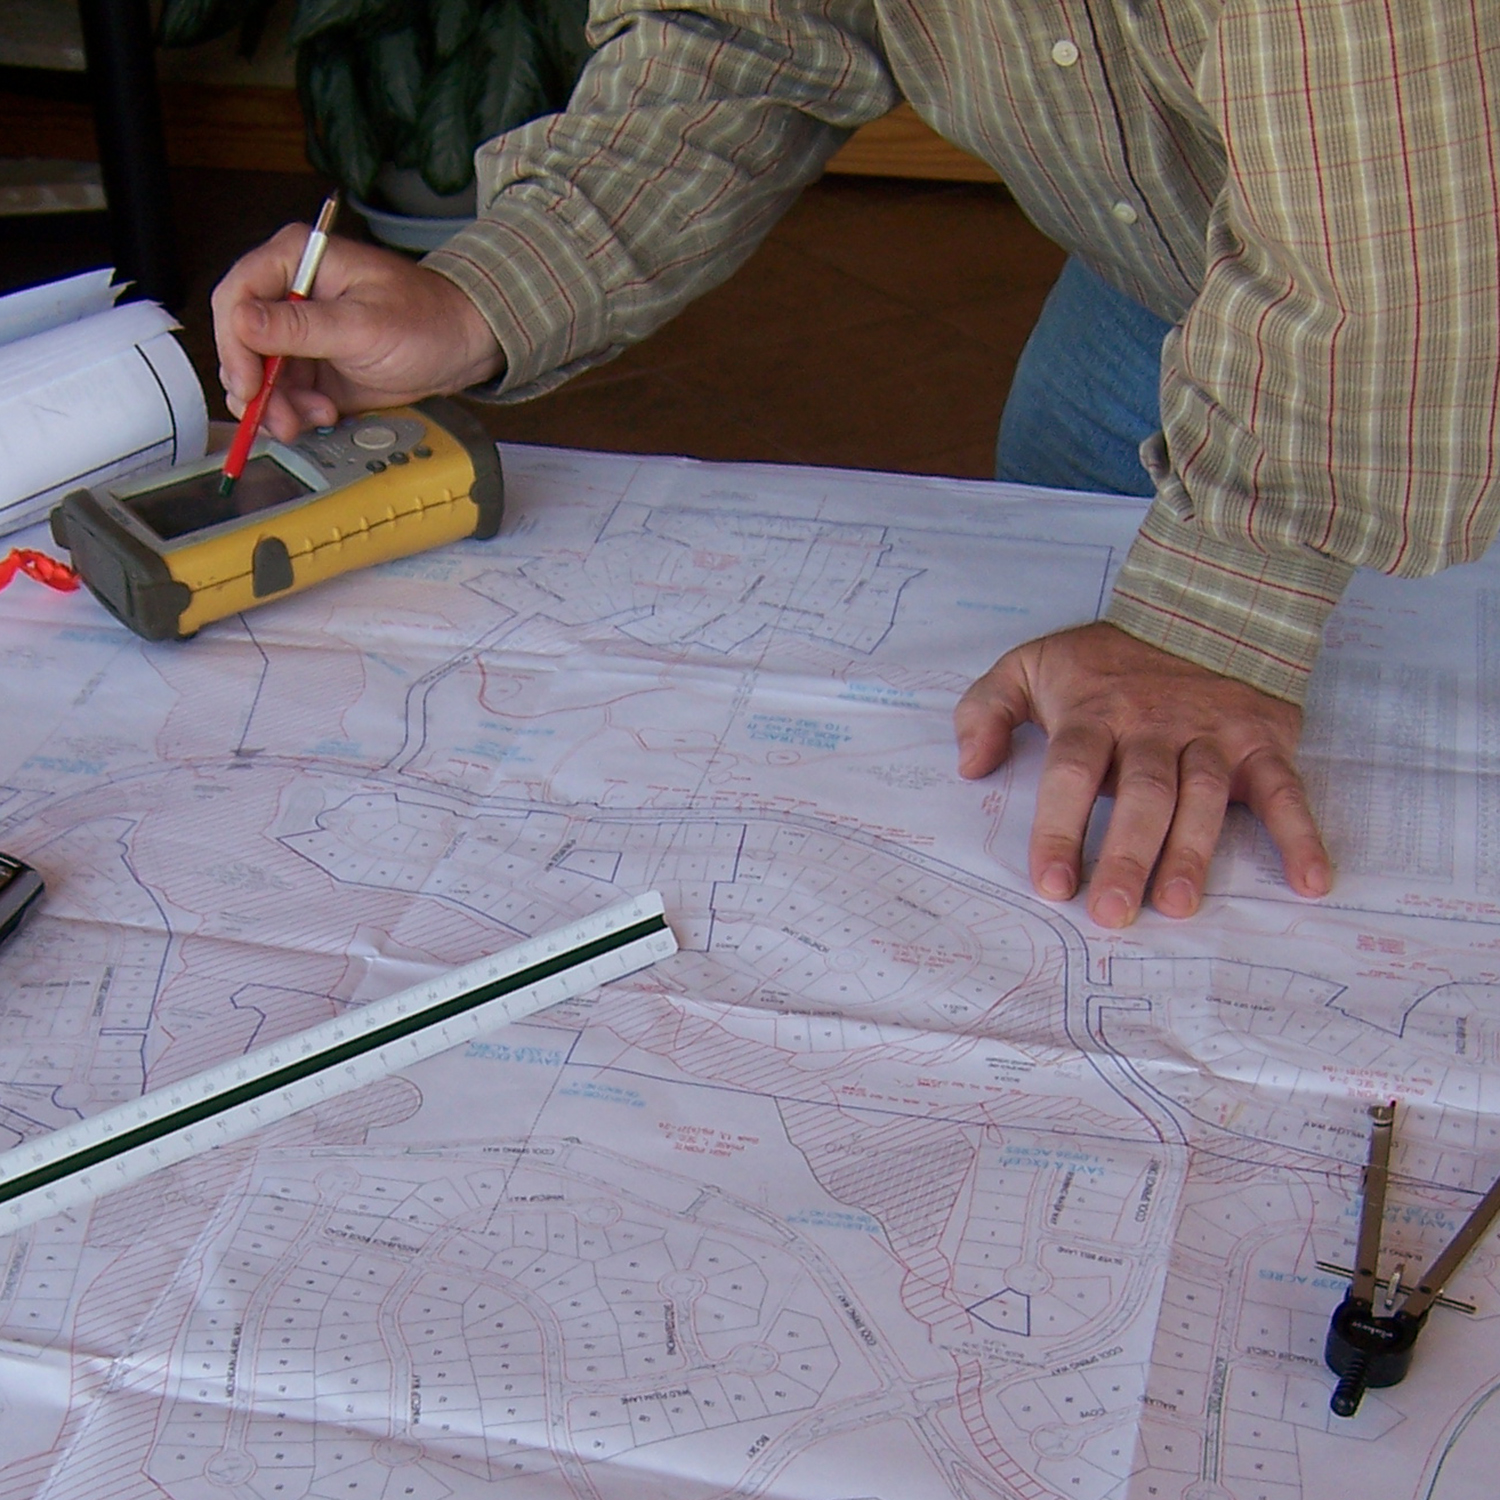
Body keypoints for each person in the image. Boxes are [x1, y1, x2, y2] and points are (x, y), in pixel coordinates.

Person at [211, 0, 1499, 929]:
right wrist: (481, 296)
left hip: (1437, 255)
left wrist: (1214, 619)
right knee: (1072, 666)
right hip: (1171, 264)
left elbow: (1404, 278)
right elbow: (745, 30)